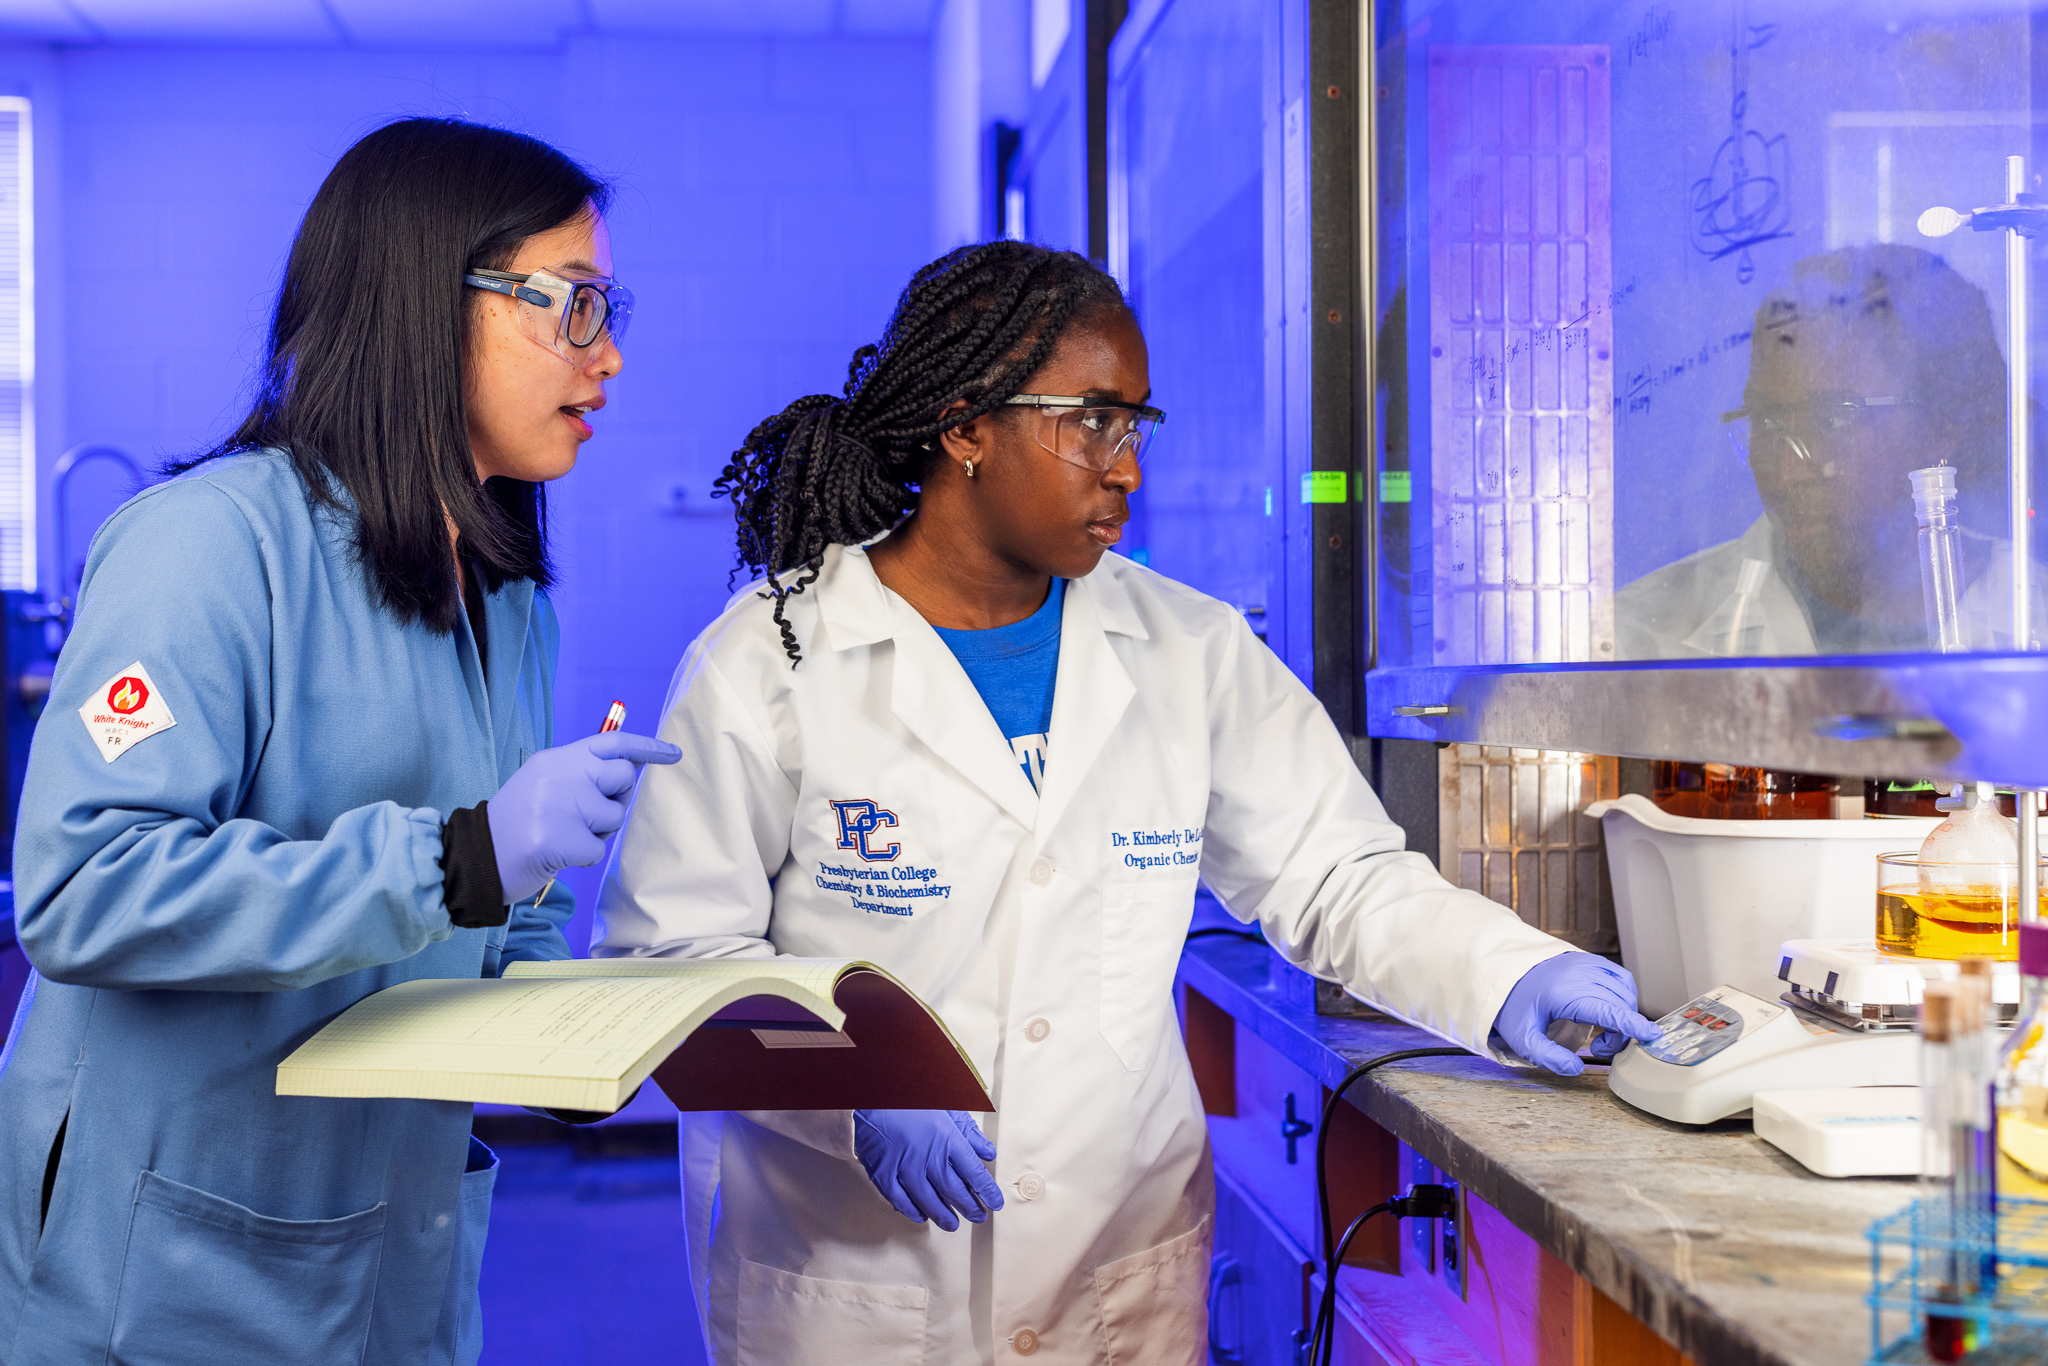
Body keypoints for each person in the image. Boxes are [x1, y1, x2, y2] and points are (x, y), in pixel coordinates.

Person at [595, 241, 1659, 1364]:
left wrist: (1505, 973)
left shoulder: (1185, 649)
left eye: (1135, 426)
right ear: (964, 425)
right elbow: (664, 965)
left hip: (1112, 1269)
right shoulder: (768, 661)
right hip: (855, 1285)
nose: (1126, 469)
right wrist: (853, 1088)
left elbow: (1333, 872)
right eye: (1091, 421)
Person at [0, 118, 679, 1365]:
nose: (611, 356)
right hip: (161, 1272)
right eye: (575, 306)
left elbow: (498, 921)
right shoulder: (205, 546)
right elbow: (83, 888)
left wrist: (632, 1026)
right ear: (431, 301)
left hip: (391, 1265)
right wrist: (464, 857)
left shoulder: (509, 596)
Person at [1617, 244, 2041, 657]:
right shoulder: (1636, 639)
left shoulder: (2035, 615)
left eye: (1834, 419)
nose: (1788, 471)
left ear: (1938, 430)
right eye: (1766, 421)